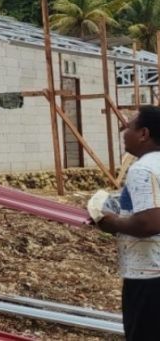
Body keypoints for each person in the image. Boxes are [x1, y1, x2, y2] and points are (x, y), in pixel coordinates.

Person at [97, 105, 160, 340]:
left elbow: (149, 224)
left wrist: (109, 222)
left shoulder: (143, 169)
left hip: (149, 281)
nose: (124, 132)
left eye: (128, 126)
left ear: (144, 133)